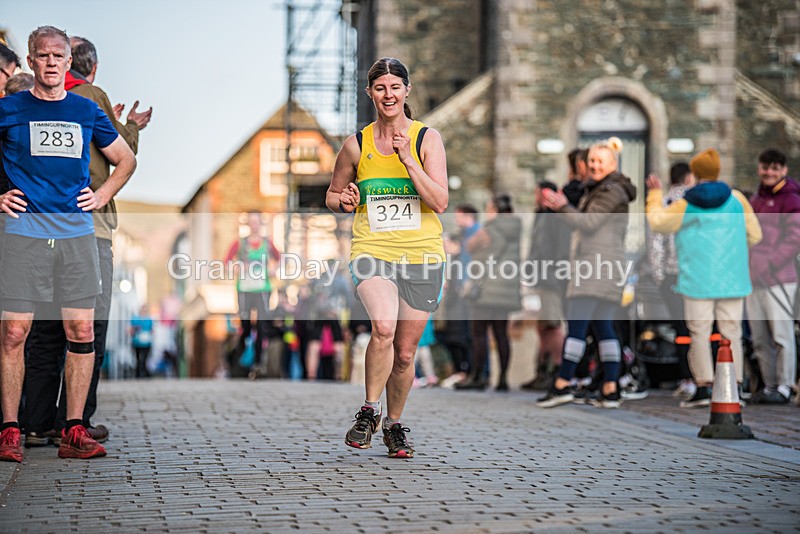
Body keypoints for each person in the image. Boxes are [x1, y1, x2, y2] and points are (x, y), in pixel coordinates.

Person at [0, 26, 136, 463]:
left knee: (81, 331)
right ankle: (9, 431)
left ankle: (73, 430)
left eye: (58, 56)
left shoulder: (84, 109)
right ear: (31, 61)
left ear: (67, 61)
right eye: (43, 56)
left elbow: (125, 159)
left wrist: (102, 195)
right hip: (24, 235)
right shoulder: (9, 108)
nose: (52, 63)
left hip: (76, 236)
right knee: (14, 333)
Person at [327, 57, 448, 459]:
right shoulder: (356, 144)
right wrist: (344, 201)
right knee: (383, 326)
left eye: (395, 87)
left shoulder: (427, 139)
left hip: (422, 254)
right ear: (370, 93)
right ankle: (369, 411)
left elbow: (440, 202)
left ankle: (394, 425)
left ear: (406, 90)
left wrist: (409, 160)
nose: (388, 94)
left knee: (406, 353)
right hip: (373, 250)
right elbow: (333, 195)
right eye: (380, 88)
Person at [646, 148, 762, 407]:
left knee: (699, 333)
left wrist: (654, 194)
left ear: (695, 174)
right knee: (731, 333)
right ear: (717, 171)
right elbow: (755, 235)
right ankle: (733, 387)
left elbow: (658, 223)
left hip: (696, 279)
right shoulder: (737, 200)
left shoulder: (687, 203)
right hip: (732, 279)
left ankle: (704, 387)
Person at [537, 137, 637, 409]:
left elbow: (588, 222)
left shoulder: (611, 190)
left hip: (596, 267)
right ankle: (610, 388)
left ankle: (563, 384)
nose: (594, 165)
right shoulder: (605, 188)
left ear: (613, 163)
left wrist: (562, 205)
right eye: (591, 160)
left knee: (577, 326)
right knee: (604, 328)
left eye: (600, 161)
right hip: (603, 266)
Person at [746, 148, 800, 404]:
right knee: (759, 338)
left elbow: (795, 238)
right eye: (765, 167)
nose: (769, 172)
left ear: (784, 170)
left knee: (781, 335)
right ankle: (769, 386)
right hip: (754, 279)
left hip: (779, 279)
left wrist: (770, 263)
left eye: (775, 168)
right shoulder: (755, 199)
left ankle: (785, 386)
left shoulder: (792, 199)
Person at [454, 193, 521, 391]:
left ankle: (477, 377)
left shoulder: (489, 229)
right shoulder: (516, 228)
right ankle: (503, 379)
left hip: (485, 289)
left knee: (479, 333)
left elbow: (470, 246)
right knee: (501, 334)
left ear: (494, 209)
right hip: (507, 289)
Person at [646, 162, 697, 400]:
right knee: (701, 327)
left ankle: (686, 378)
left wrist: (660, 277)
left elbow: (656, 245)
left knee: (681, 329)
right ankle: (704, 375)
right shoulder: (697, 202)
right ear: (689, 178)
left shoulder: (665, 203)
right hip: (697, 274)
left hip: (672, 275)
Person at [521, 180, 571, 390]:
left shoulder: (557, 216)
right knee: (542, 327)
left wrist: (557, 275)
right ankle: (542, 370)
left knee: (553, 325)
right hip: (539, 277)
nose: (538, 198)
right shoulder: (540, 215)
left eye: (540, 194)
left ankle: (556, 370)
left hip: (552, 279)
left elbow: (562, 248)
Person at [224, 212, 281, 372]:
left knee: (262, 325)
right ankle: (238, 356)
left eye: (257, 222)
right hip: (244, 289)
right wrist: (237, 268)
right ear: (248, 224)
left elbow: (280, 258)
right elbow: (226, 262)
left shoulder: (267, 243)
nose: (254, 225)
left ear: (260, 224)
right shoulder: (240, 243)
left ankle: (258, 363)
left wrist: (274, 270)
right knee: (245, 326)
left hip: (263, 289)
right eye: (252, 222)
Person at [131, 306, 154, 378]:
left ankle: (145, 374)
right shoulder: (135, 319)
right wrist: (135, 329)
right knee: (138, 359)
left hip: (146, 343)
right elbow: (130, 330)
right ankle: (138, 375)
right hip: (137, 343)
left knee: (144, 360)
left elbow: (152, 331)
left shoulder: (149, 320)